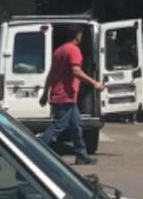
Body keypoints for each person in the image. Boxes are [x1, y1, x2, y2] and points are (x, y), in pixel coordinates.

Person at [38, 25, 103, 165]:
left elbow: (51, 74)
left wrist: (45, 92)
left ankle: (82, 155)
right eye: (81, 34)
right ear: (78, 35)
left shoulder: (59, 51)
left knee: (76, 126)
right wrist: (94, 83)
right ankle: (34, 148)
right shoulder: (73, 50)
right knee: (58, 126)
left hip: (62, 95)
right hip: (65, 95)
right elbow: (76, 71)